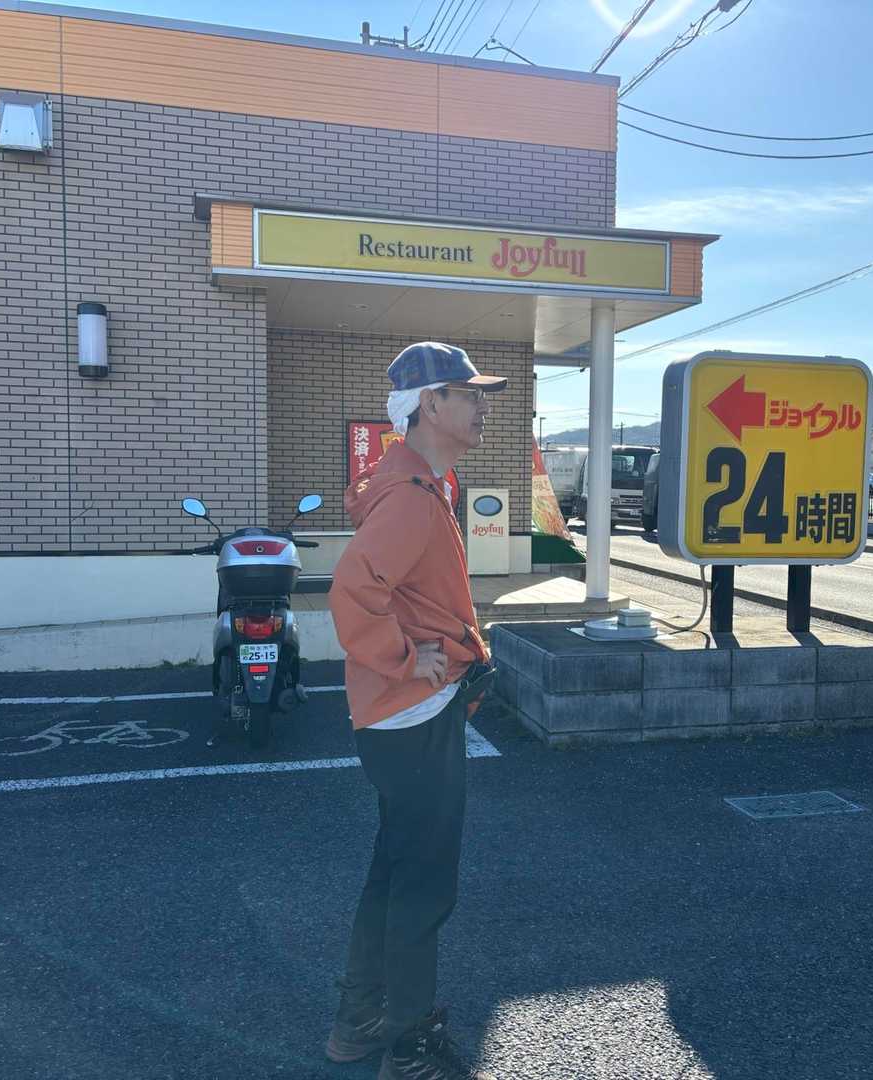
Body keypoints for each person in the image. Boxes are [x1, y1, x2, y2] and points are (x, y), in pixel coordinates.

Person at [325, 341, 503, 1080]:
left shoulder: (419, 482)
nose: (482, 404)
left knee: (396, 870)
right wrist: (405, 658)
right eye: (469, 393)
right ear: (431, 404)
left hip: (397, 716)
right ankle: (409, 1047)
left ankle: (360, 1019)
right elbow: (351, 591)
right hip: (412, 713)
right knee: (423, 884)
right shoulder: (410, 497)